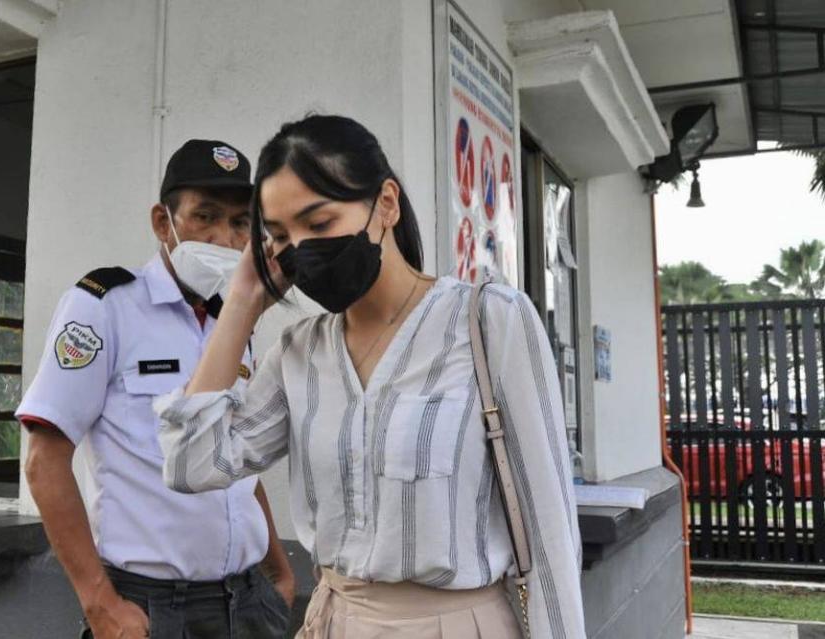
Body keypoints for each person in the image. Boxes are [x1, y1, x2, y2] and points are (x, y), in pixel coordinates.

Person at [154, 116, 586, 638]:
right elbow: (191, 464)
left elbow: (550, 532)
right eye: (280, 236)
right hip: (336, 621)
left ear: (385, 203)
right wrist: (242, 304)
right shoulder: (300, 351)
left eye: (318, 223)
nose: (301, 249)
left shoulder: (488, 321)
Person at [18, 139, 294, 639]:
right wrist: (100, 604)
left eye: (238, 223)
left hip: (251, 603)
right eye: (204, 216)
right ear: (163, 222)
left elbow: (236, 463)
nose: (224, 238)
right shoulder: (104, 306)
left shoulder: (234, 322)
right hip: (154, 609)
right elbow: (44, 461)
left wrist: (280, 571)